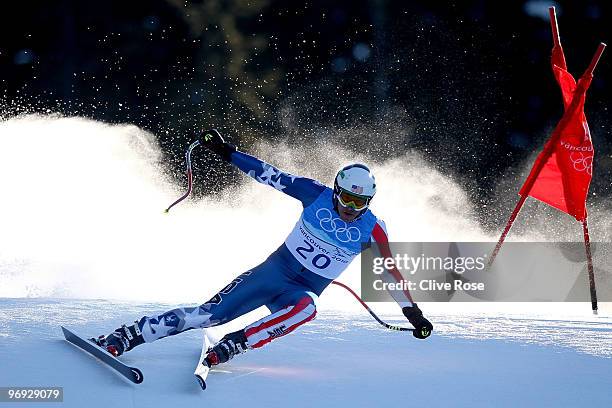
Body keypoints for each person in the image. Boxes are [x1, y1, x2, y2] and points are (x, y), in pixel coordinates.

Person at [93, 129, 433, 367]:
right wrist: (227, 152)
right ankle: (128, 335)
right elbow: (269, 174)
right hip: (271, 274)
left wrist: (412, 313)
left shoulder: (373, 228)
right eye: (345, 198)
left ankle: (237, 343)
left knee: (308, 308)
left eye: (360, 202)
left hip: (299, 291)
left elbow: (390, 274)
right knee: (208, 315)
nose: (350, 208)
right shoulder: (314, 194)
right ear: (335, 190)